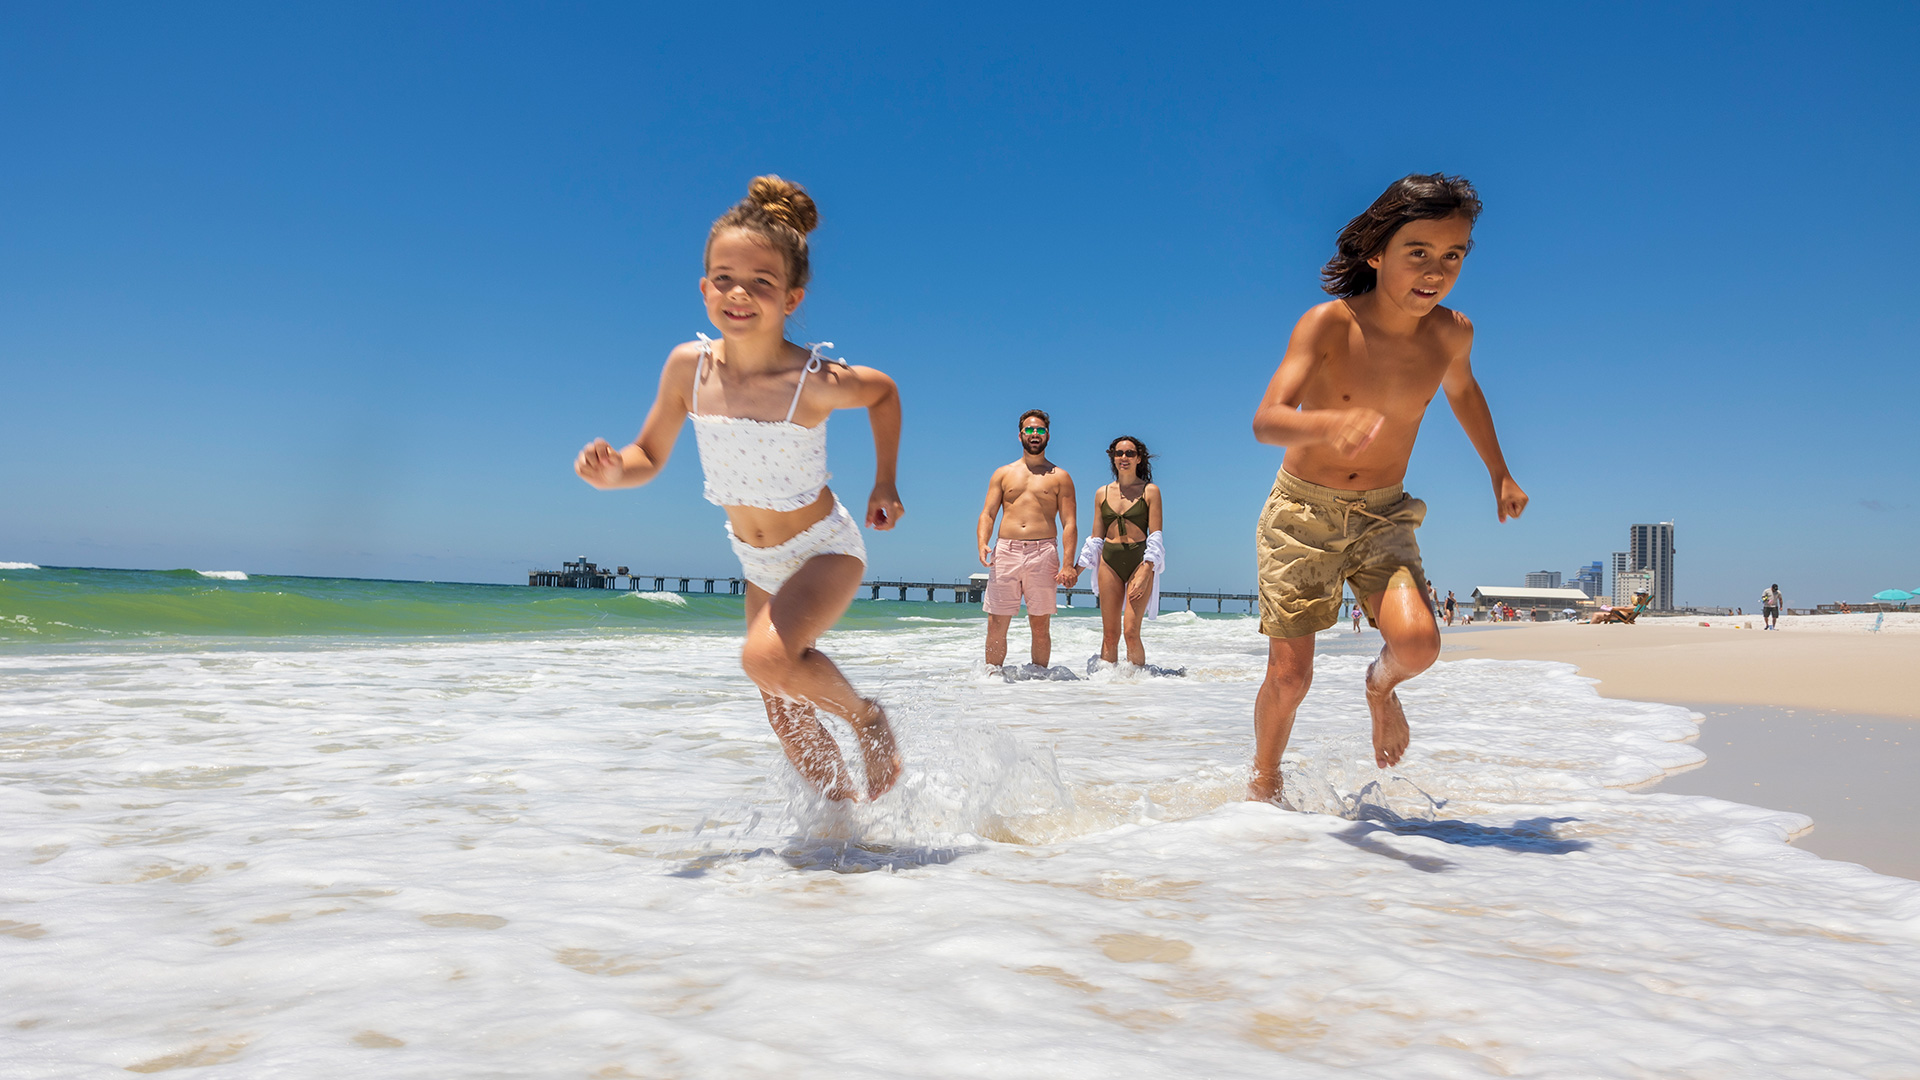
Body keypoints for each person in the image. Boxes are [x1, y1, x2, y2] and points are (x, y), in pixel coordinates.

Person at [573, 176, 904, 802]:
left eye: (762, 282)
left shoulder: (813, 379)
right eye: (724, 276)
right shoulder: (687, 369)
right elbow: (648, 453)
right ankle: (841, 834)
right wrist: (617, 469)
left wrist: (885, 480)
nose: (739, 293)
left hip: (824, 548)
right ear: (703, 288)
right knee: (782, 708)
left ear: (792, 298)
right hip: (757, 561)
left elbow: (883, 391)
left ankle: (866, 719)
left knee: (765, 660)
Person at [1246, 173, 1528, 806]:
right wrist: (1326, 422)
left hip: (1384, 514)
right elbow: (1267, 420)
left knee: (1419, 645)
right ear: (1376, 253)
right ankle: (1264, 781)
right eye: (1418, 252)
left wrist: (1499, 471)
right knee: (1291, 679)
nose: (1436, 270)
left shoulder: (1452, 334)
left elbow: (1464, 393)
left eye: (1453, 255)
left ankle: (1380, 689)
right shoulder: (1327, 325)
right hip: (1301, 515)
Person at [977, 410, 1079, 671]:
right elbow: (988, 513)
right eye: (1030, 430)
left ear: (1048, 435)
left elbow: (1069, 523)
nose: (1035, 434)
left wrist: (1068, 564)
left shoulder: (1060, 477)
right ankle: (991, 679)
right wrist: (982, 542)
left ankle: (1039, 685)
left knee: (1040, 624)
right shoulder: (1003, 473)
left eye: (1040, 430)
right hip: (1006, 551)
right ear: (1020, 434)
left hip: (1043, 552)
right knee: (996, 622)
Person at [1074, 435, 1165, 668]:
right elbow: (1096, 539)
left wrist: (1147, 571)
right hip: (1109, 561)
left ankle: (1137, 686)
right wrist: (1076, 570)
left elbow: (1155, 536)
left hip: (1139, 562)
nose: (1123, 457)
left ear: (1139, 458)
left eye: (1130, 453)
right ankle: (1109, 693)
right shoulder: (1101, 493)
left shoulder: (1150, 491)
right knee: (1110, 635)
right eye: (1119, 453)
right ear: (1112, 457)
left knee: (1131, 633)